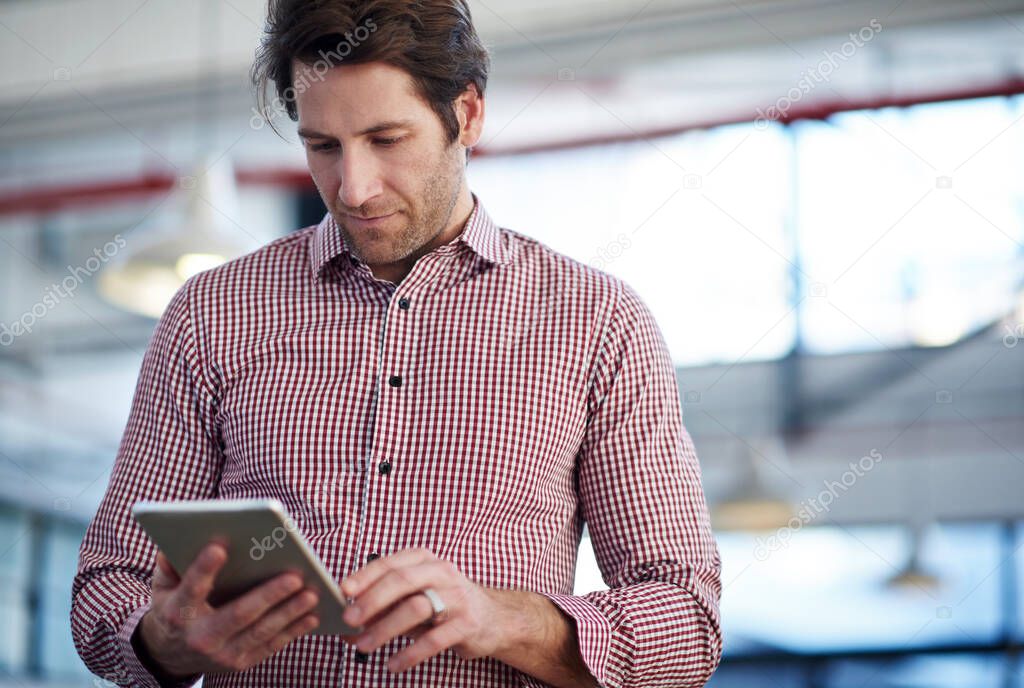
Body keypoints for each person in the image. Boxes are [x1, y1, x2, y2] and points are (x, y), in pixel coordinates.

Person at [71, 1, 723, 686]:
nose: (353, 188)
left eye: (386, 140)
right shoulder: (212, 313)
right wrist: (162, 641)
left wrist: (502, 619)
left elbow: (685, 625)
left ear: (467, 114)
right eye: (322, 146)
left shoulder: (599, 322)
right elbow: (107, 587)